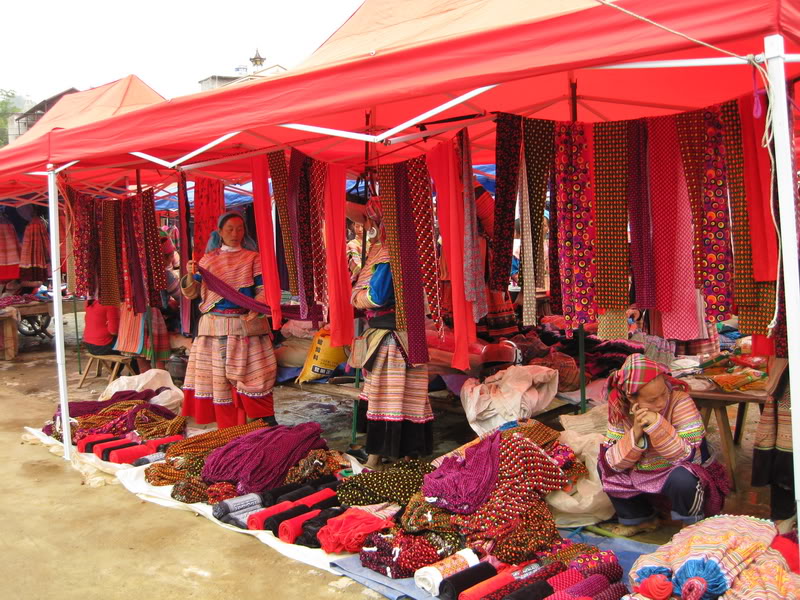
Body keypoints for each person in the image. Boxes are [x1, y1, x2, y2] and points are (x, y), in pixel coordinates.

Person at [598, 354, 729, 536]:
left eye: (663, 394)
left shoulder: (679, 401)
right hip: (641, 470)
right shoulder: (619, 409)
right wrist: (636, 432)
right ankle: (642, 519)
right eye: (652, 400)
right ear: (631, 398)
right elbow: (613, 461)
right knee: (605, 464)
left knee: (684, 478)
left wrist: (657, 425)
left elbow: (687, 455)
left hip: (674, 470)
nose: (661, 403)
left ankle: (691, 525)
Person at [351, 198, 433, 470]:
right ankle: (404, 455)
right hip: (410, 337)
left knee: (388, 397)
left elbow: (377, 297)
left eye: (370, 221)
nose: (367, 227)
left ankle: (375, 459)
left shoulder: (387, 252)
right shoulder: (410, 248)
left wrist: (355, 297)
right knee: (408, 396)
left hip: (392, 339)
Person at [180, 211, 277, 429]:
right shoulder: (208, 260)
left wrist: (257, 308)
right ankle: (229, 427)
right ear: (220, 232)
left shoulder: (254, 258)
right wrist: (189, 274)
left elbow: (263, 290)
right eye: (230, 229)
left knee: (253, 376)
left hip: (246, 326)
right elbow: (192, 293)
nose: (235, 233)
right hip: (213, 329)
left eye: (240, 229)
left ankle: (260, 422)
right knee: (219, 381)